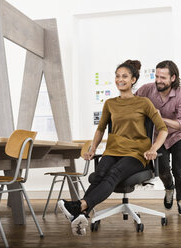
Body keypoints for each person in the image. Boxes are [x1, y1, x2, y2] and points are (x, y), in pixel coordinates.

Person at [58, 60, 168, 236]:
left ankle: (79, 206)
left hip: (136, 154)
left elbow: (162, 129)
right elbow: (101, 128)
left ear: (133, 80)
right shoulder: (110, 103)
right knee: (99, 175)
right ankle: (83, 214)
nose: (119, 79)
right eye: (117, 76)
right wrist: (93, 149)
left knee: (113, 174)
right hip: (113, 151)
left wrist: (154, 148)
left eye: (124, 76)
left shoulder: (144, 103)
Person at [136, 60, 181, 216]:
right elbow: (132, 102)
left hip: (177, 136)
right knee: (163, 171)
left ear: (173, 78)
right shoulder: (147, 90)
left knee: (178, 170)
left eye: (163, 78)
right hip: (158, 137)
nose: (158, 80)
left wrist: (160, 119)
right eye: (157, 76)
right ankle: (169, 189)